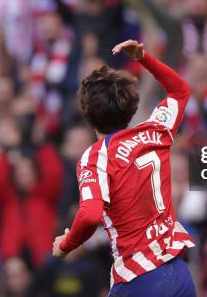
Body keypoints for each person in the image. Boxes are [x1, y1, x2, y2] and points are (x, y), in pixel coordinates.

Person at [51, 39, 196, 296]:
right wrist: (143, 57)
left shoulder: (95, 158)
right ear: (131, 107)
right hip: (179, 274)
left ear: (86, 112)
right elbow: (180, 91)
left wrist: (66, 244)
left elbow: (89, 215)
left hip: (139, 278)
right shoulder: (155, 132)